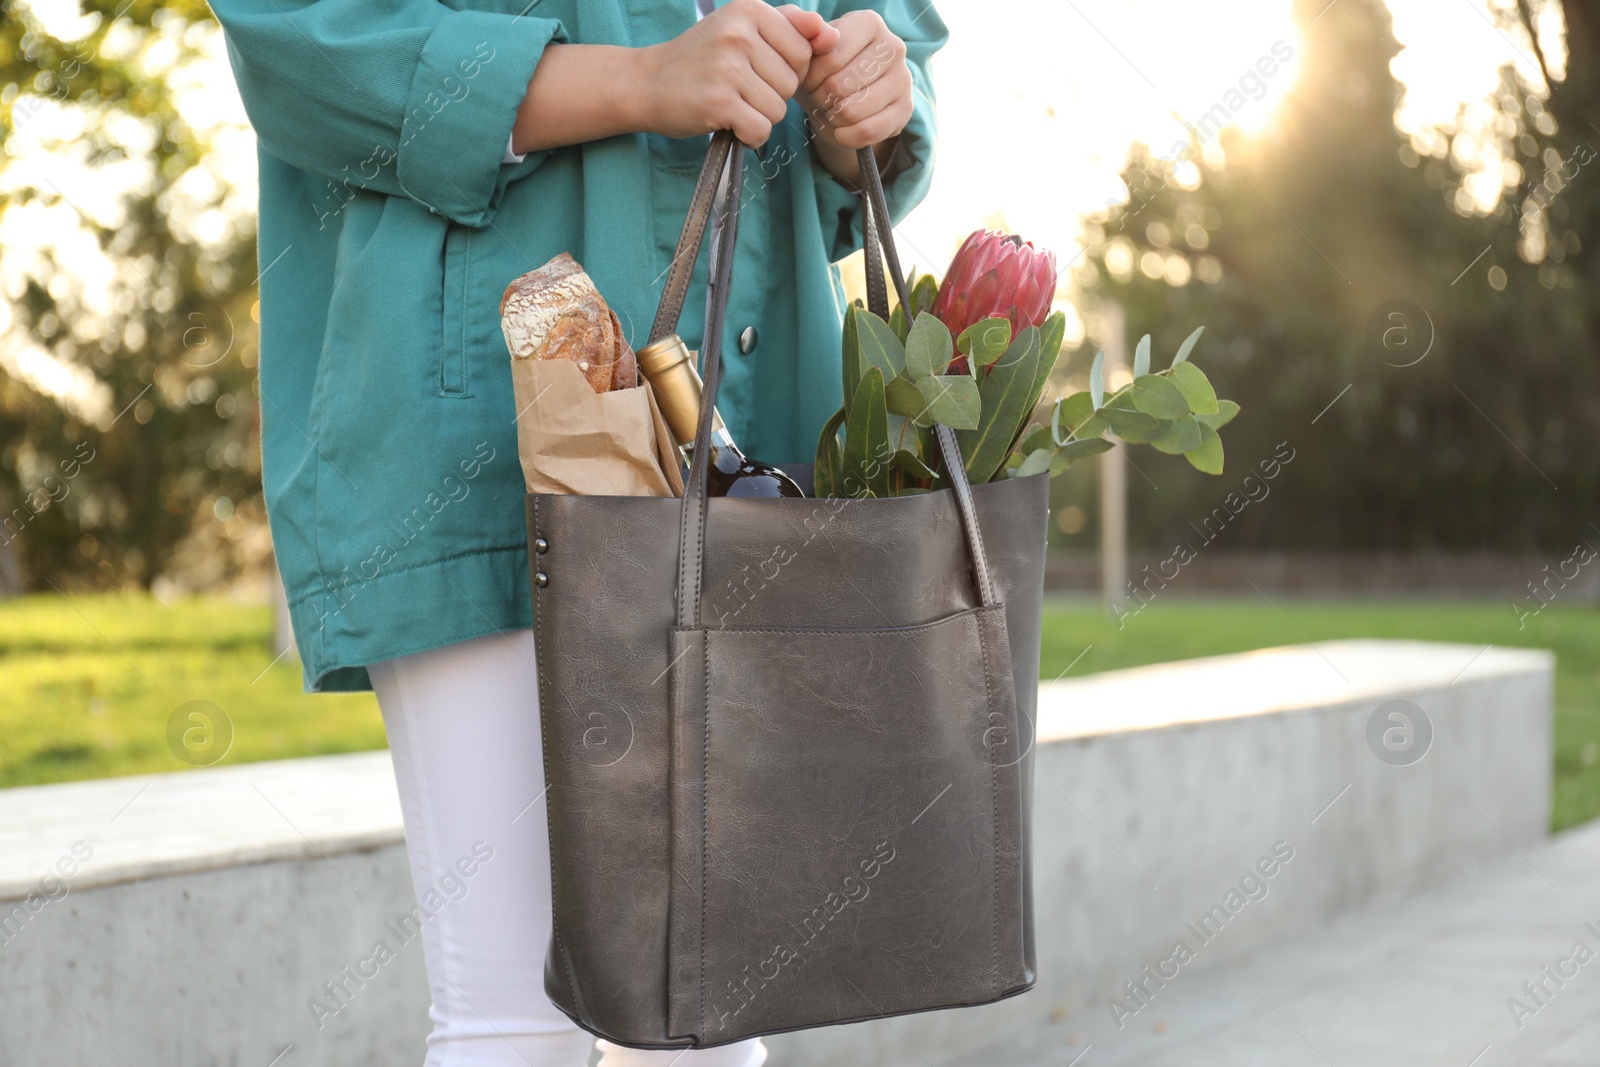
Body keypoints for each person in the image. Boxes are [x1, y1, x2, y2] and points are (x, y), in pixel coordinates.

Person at [209, 0, 947, 1063]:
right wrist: (643, 82)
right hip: (481, 432)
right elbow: (302, 40)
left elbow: (898, 43)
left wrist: (873, 94)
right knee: (519, 1019)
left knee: (705, 1010)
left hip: (754, 427)